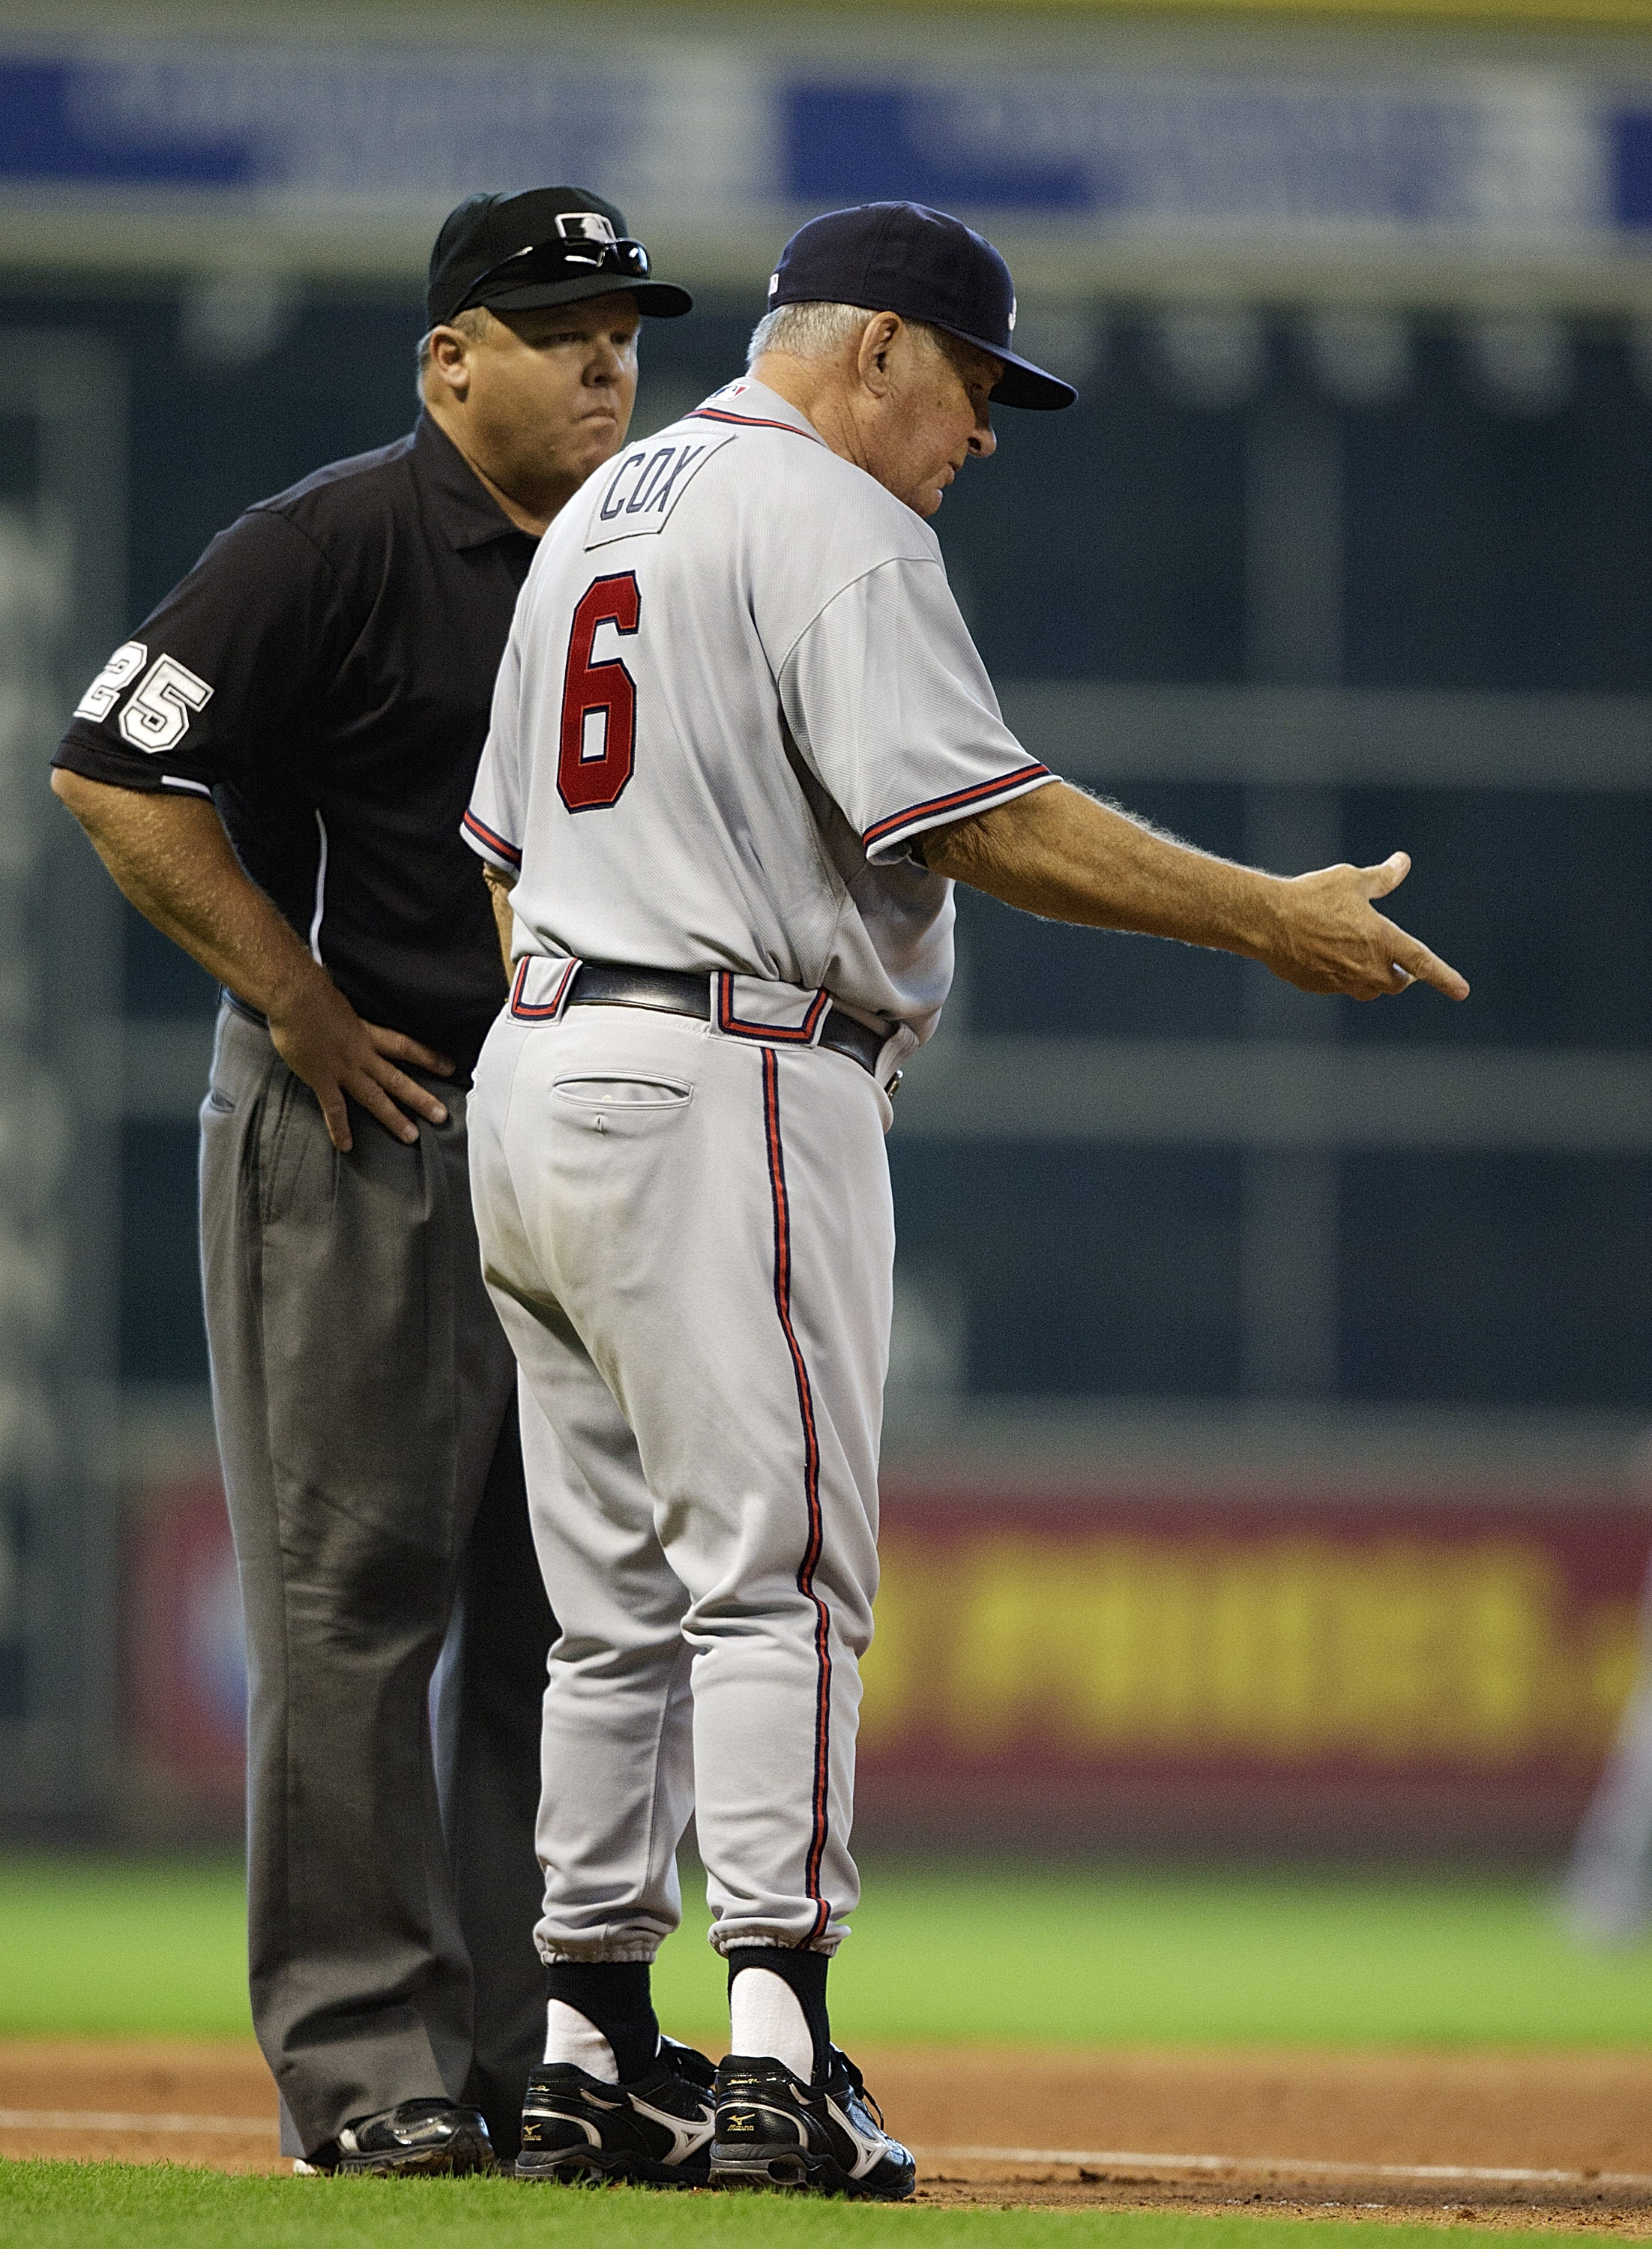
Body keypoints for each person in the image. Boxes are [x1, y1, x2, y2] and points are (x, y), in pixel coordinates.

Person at [462, 198, 1469, 2199]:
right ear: (878, 350)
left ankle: (581, 2047)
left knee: (608, 1611)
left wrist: (598, 1014)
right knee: (778, 1581)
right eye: (977, 386)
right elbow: (977, 813)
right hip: (728, 1065)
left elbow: (495, 840)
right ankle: (773, 2051)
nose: (983, 434)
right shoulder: (833, 516)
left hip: (544, 1060)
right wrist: (1262, 917)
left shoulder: (604, 505)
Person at [49, 187, 691, 2176]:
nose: (604, 356)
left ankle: (534, 2062)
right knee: (351, 1607)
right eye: (556, 321)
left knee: (560, 1612)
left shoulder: (651, 556)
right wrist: (301, 1004)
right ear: (449, 360)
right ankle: (367, 2075)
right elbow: (106, 760)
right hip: (367, 1125)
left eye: (622, 324)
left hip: (572, 1140)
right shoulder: (326, 542)